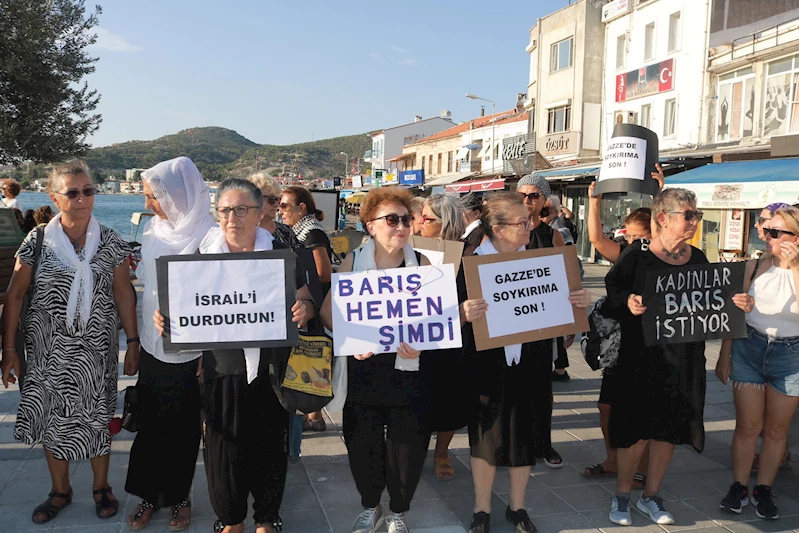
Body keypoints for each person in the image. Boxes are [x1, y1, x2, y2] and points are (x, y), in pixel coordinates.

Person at [154, 178, 314, 533]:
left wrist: (305, 308)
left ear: (259, 214)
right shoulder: (201, 258)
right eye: (225, 209)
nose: (233, 218)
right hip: (221, 369)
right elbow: (185, 310)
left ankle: (267, 517)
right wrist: (167, 320)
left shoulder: (282, 254)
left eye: (242, 210)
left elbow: (307, 298)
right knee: (223, 447)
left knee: (270, 445)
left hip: (271, 369)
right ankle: (231, 518)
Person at [603, 188, 753, 526]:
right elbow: (612, 296)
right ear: (662, 218)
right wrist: (628, 302)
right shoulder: (636, 256)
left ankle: (652, 495)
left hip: (684, 360)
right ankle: (623, 495)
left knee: (669, 429)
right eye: (689, 215)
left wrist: (739, 304)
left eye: (696, 215)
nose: (694, 221)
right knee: (636, 431)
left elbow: (717, 303)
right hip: (640, 358)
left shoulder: (698, 259)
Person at [0, 160, 138, 524]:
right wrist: (9, 350)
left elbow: (124, 295)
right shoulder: (39, 240)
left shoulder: (112, 241)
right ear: (54, 197)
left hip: (95, 352)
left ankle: (101, 487)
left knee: (97, 417)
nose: (82, 199)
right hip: (46, 351)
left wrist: (134, 342)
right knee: (50, 419)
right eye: (73, 192)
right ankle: (60, 490)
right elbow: (15, 295)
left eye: (88, 191)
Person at [460, 192, 591, 533]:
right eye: (523, 222)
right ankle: (481, 509)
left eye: (530, 219)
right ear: (498, 228)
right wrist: (463, 312)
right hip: (486, 364)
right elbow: (445, 318)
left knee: (524, 436)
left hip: (530, 361)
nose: (530, 226)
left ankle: (518, 508)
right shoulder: (468, 263)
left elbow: (564, 306)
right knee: (486, 437)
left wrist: (579, 301)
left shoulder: (543, 261)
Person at [320, 187, 432, 533]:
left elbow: (431, 319)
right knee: (362, 444)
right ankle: (371, 505)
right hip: (364, 369)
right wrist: (351, 340)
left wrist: (421, 343)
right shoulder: (352, 263)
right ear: (370, 226)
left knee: (407, 447)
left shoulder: (422, 263)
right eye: (392, 219)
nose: (401, 226)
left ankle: (398, 511)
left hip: (407, 371)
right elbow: (328, 314)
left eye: (406, 219)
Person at [124, 157, 216, 531]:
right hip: (152, 344)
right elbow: (146, 281)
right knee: (150, 424)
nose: (149, 205)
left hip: (190, 351)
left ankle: (179, 497)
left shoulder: (209, 236)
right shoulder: (153, 232)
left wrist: (207, 350)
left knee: (181, 429)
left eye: (154, 197)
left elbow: (219, 295)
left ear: (177, 196)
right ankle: (149, 496)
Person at [715, 205, 799, 520]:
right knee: (747, 426)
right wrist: (725, 354)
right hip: (749, 348)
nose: (766, 236)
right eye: (765, 230)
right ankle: (739, 486)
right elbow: (735, 313)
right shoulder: (754, 266)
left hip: (791, 355)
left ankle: (764, 487)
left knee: (776, 430)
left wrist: (794, 267)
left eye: (775, 232)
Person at [248, 172, 305, 464]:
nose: (274, 206)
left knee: (282, 395)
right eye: (269, 199)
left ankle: (287, 450)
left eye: (276, 200)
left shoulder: (286, 236)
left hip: (281, 332)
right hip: (246, 333)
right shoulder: (232, 239)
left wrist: (303, 307)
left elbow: (301, 282)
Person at [515, 173, 567, 468]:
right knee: (513, 387)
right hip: (510, 325)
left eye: (534, 195)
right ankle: (518, 443)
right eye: (522, 195)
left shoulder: (551, 236)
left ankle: (543, 444)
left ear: (544, 201)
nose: (527, 201)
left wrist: (570, 324)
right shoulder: (502, 234)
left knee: (541, 388)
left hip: (542, 324)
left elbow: (566, 278)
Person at [418, 193, 469, 481]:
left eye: (426, 219)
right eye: (420, 217)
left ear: (445, 222)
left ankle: (441, 452)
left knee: (448, 400)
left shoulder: (467, 254)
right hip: (416, 339)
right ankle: (414, 448)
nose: (419, 223)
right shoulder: (409, 250)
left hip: (452, 342)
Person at [279, 185, 332, 432]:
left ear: (301, 208)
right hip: (309, 300)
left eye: (284, 206)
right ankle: (314, 416)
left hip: (312, 301)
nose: (280, 211)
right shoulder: (301, 230)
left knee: (309, 355)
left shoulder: (310, 232)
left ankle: (314, 415)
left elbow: (323, 272)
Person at [248, 172, 300, 248]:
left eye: (278, 199)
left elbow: (298, 258)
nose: (276, 204)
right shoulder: (241, 232)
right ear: (254, 199)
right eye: (271, 199)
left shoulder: (286, 231)